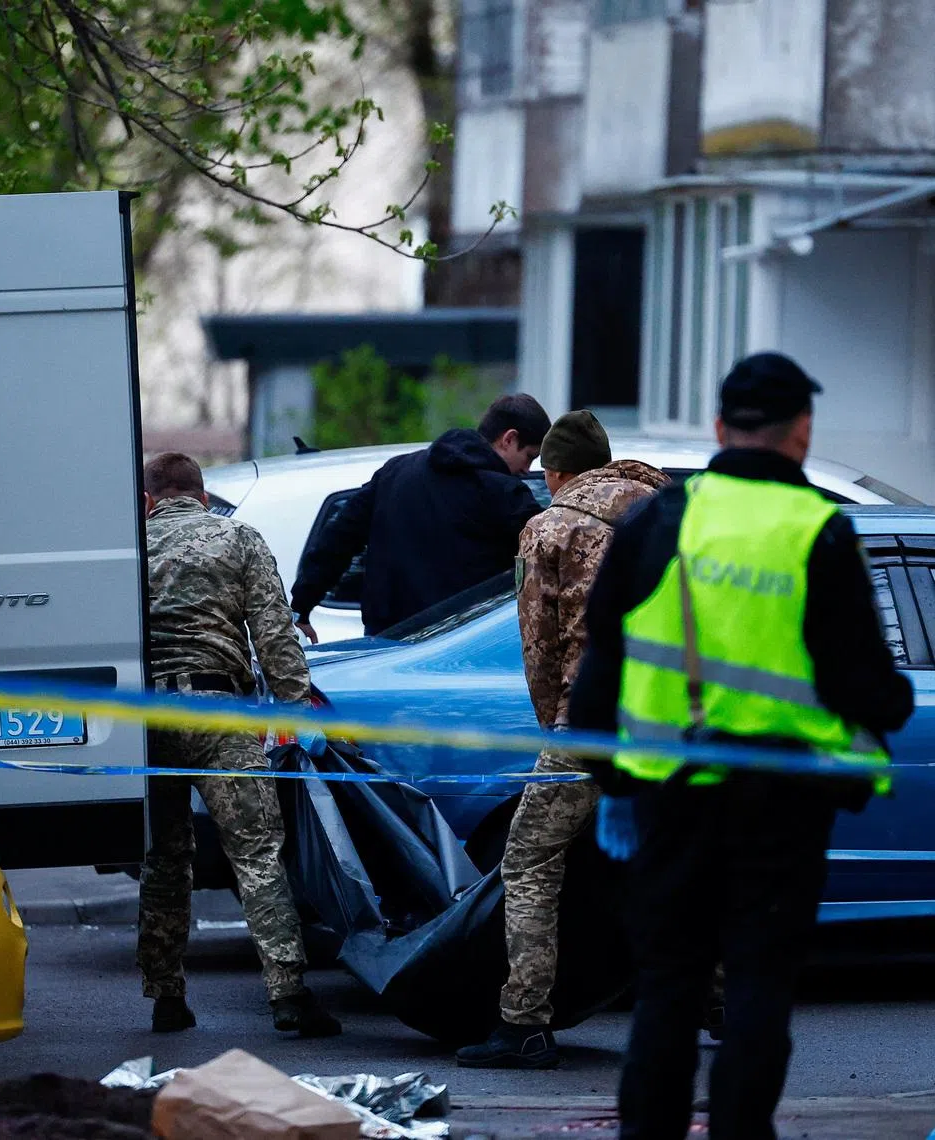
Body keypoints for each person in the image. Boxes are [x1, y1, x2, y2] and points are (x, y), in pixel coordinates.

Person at [567, 353, 914, 1139]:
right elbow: (869, 689)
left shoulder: (659, 521)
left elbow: (600, 672)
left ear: (720, 429)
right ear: (802, 434)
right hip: (784, 810)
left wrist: (615, 783)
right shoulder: (820, 532)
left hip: (671, 798)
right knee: (758, 986)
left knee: (667, 991)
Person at [457, 411, 669, 1070]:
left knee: (528, 860)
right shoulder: (665, 510)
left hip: (592, 721)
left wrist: (557, 726)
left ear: (553, 471)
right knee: (671, 857)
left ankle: (523, 1020)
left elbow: (539, 648)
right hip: (670, 724)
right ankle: (710, 997)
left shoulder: (549, 527)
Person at [137, 452, 340, 1038]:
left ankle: (166, 997)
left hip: (147, 719)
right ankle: (288, 995)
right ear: (202, 497)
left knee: (164, 856)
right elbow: (274, 634)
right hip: (221, 713)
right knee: (256, 853)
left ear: (150, 501)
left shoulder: (132, 548)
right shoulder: (239, 539)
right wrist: (298, 708)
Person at [290, 394, 551, 640]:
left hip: (383, 645)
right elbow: (549, 559)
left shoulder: (395, 472)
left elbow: (339, 538)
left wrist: (302, 604)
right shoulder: (506, 494)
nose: (527, 470)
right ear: (508, 439)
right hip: (460, 648)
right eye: (529, 456)